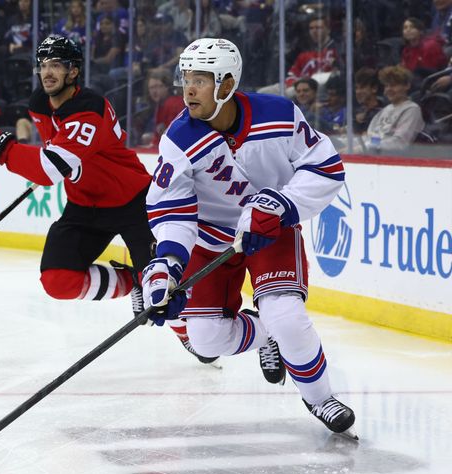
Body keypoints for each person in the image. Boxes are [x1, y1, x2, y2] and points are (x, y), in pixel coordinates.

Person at [142, 38, 357, 437]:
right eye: (186, 78)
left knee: (287, 316)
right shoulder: (180, 138)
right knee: (206, 341)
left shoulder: (278, 115)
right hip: (210, 239)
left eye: (201, 80)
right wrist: (168, 263)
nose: (188, 89)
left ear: (226, 85)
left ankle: (320, 397)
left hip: (270, 231)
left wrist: (278, 204)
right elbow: (171, 206)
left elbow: (325, 168)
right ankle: (265, 336)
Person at [0, 35, 200, 360]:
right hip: (84, 204)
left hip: (133, 200)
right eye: (43, 65)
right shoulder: (39, 104)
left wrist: (3, 149)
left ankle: (189, 332)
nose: (47, 72)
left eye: (57, 65)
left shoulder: (88, 109)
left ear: (74, 71)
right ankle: (131, 278)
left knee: (160, 291)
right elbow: (56, 152)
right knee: (57, 280)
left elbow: (50, 170)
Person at [360, 65, 425, 153]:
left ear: (407, 86)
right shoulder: (383, 111)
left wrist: (366, 147)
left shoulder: (412, 110)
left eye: (393, 85)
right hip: (369, 156)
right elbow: (367, 137)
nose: (388, 89)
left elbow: (399, 143)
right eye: (386, 86)